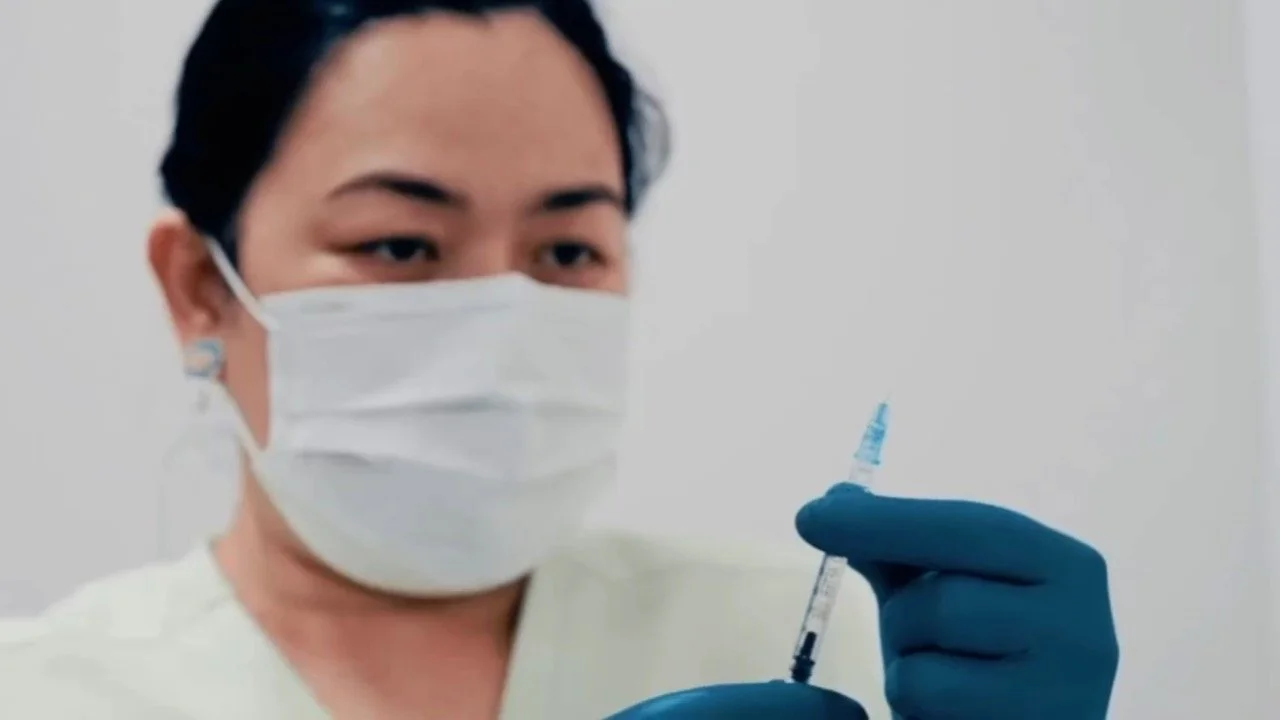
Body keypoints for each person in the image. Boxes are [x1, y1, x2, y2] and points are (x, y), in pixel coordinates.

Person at [0, 1, 1120, 718]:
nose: (501, 313)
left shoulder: (822, 653)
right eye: (400, 243)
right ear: (201, 286)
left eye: (568, 248)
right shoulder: (45, 693)